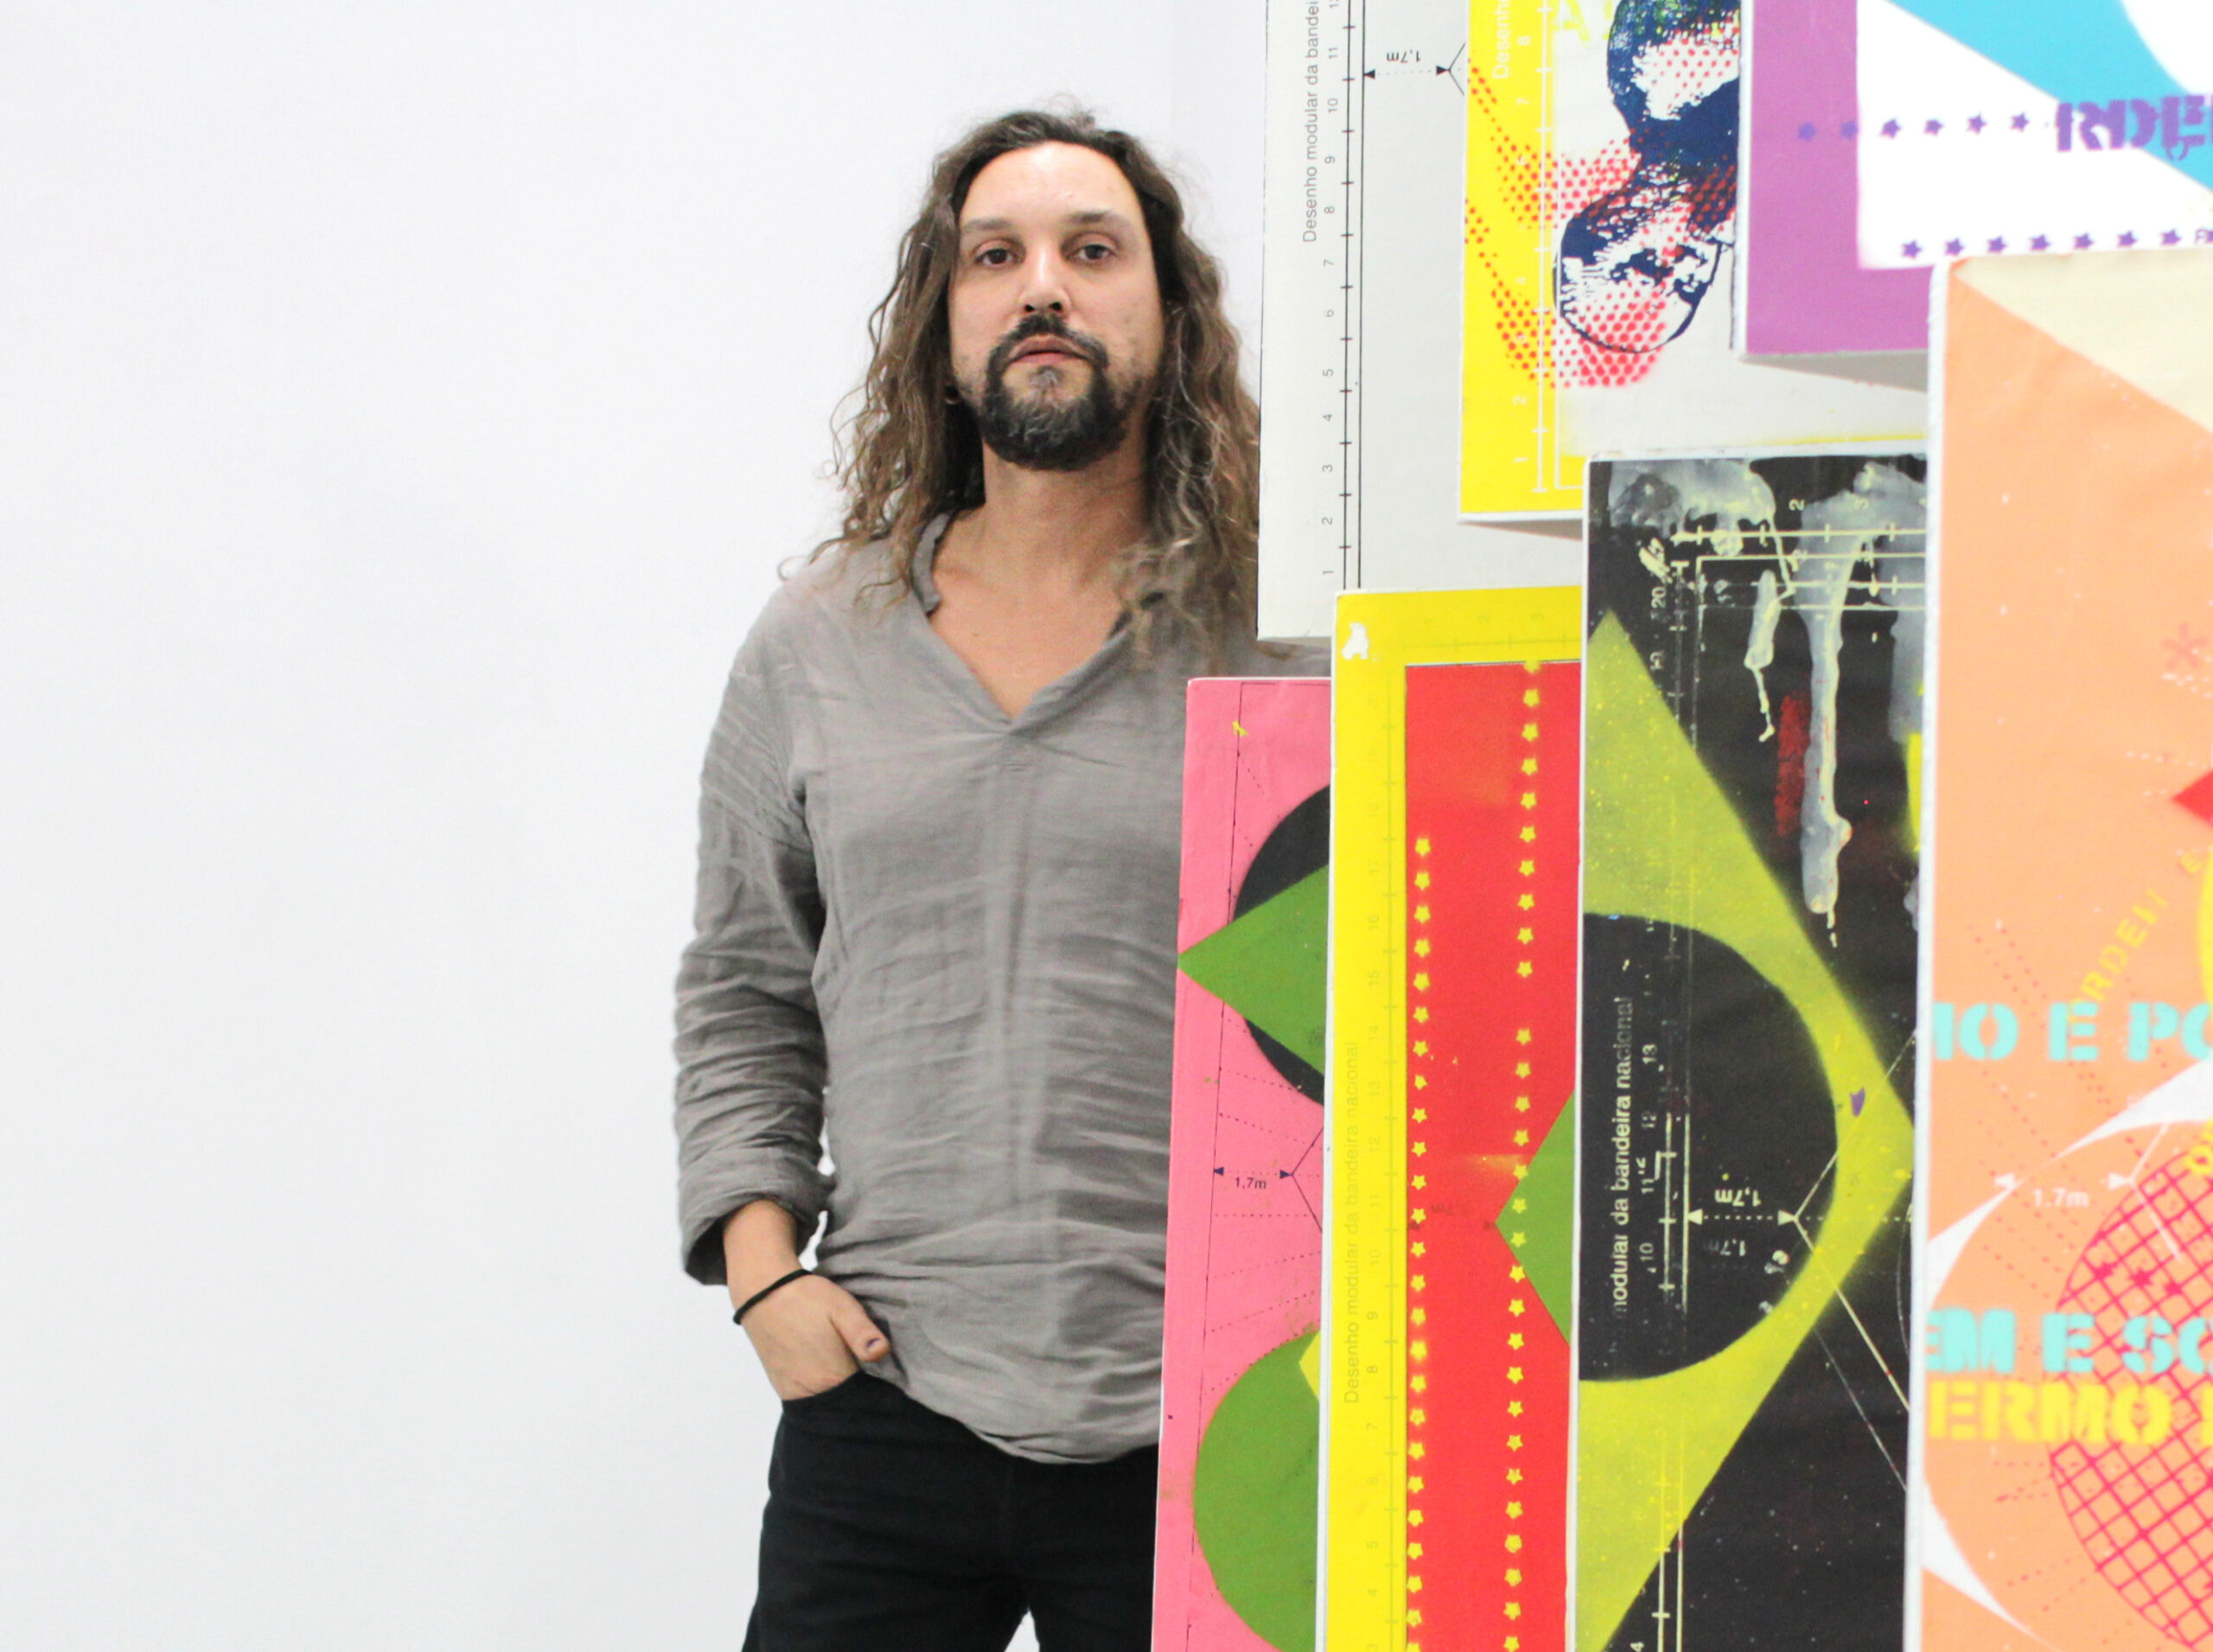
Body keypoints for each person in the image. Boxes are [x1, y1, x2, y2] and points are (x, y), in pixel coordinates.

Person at [672, 108, 1318, 1652]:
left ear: (1170, 312)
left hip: (1216, 1415)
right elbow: (747, 987)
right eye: (996, 256)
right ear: (944, 324)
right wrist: (765, 1283)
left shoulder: (1286, 640)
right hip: (884, 1396)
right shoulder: (818, 641)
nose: (1043, 286)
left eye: (1093, 251)